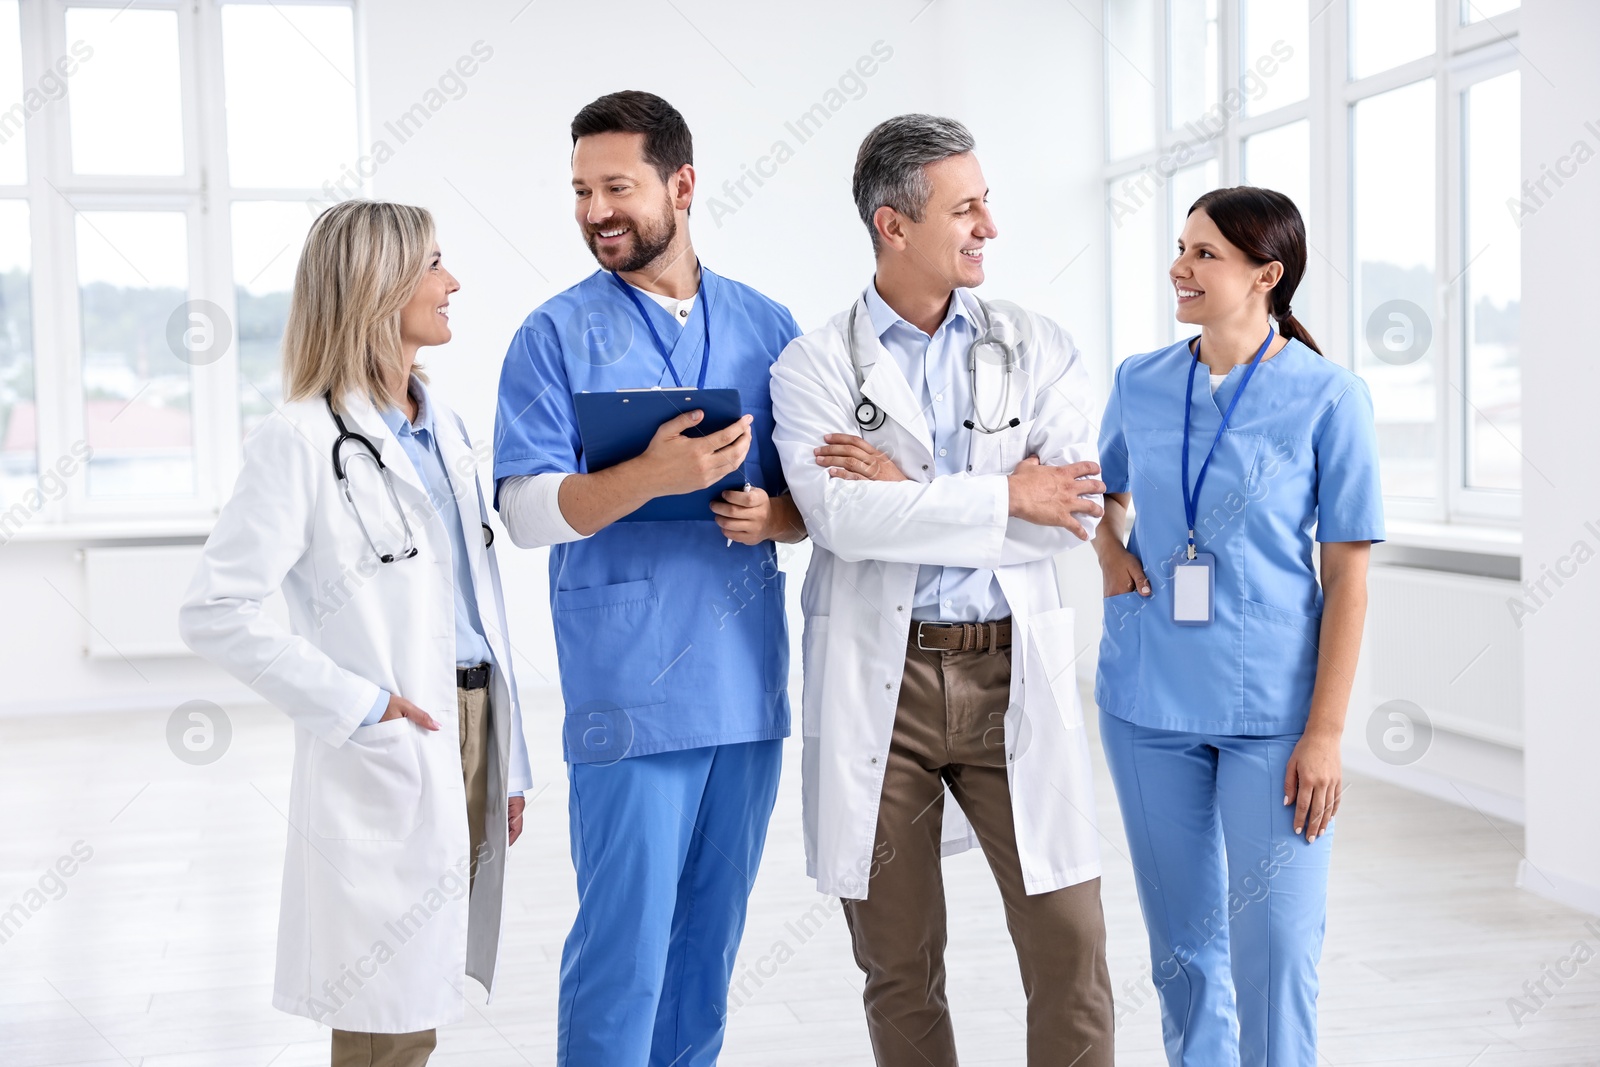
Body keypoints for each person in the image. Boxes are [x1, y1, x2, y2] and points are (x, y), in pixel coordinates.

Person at [769, 114, 1115, 1067]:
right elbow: (841, 523)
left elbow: (1069, 513)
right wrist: (1006, 492)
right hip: (886, 684)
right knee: (897, 956)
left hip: (1015, 670)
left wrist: (909, 495)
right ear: (894, 224)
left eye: (986, 204)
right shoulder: (813, 366)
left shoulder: (1038, 345)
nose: (988, 226)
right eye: (966, 208)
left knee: (1071, 942)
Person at [491, 90, 805, 1067]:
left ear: (682, 185)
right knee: (622, 952)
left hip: (742, 682)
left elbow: (810, 500)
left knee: (706, 949)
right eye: (581, 190)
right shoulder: (553, 335)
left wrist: (776, 514)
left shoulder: (769, 324)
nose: (595, 210)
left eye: (616, 186)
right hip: (626, 688)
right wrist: (646, 477)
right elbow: (524, 509)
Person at [178, 200, 532, 1067]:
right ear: (378, 285)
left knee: (424, 978)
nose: (453, 283)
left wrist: (508, 760)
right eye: (434, 265)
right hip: (394, 726)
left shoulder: (441, 429)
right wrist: (359, 704)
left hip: (472, 716)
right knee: (386, 1001)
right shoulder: (298, 441)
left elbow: (474, 600)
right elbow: (215, 610)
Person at [1093, 186, 1384, 1067]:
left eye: (1205, 253)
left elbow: (1348, 576)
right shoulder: (1140, 381)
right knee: (1183, 955)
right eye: (1181, 248)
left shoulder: (1329, 396)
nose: (1180, 267)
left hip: (1276, 715)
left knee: (1279, 952)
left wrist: (1326, 734)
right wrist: (1111, 552)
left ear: (1267, 274)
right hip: (1147, 700)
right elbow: (1094, 490)